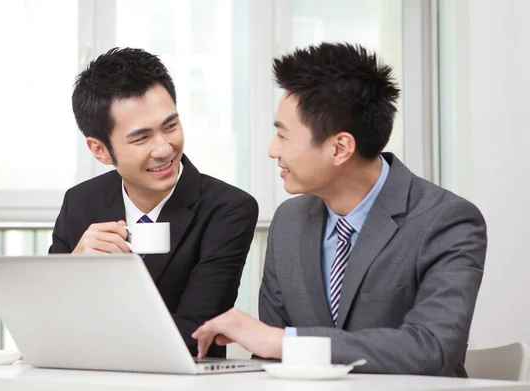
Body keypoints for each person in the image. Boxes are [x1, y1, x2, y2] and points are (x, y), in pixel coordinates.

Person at [192, 42, 487, 376]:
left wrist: (285, 342)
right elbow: (270, 361)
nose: (273, 150)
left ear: (340, 147)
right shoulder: (288, 222)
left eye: (283, 136)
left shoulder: (447, 221)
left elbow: (431, 349)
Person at [49, 47, 259, 358]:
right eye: (141, 138)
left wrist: (83, 333)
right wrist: (76, 272)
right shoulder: (80, 202)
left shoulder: (228, 209)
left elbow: (194, 334)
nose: (164, 149)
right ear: (100, 150)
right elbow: (47, 324)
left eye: (171, 126)